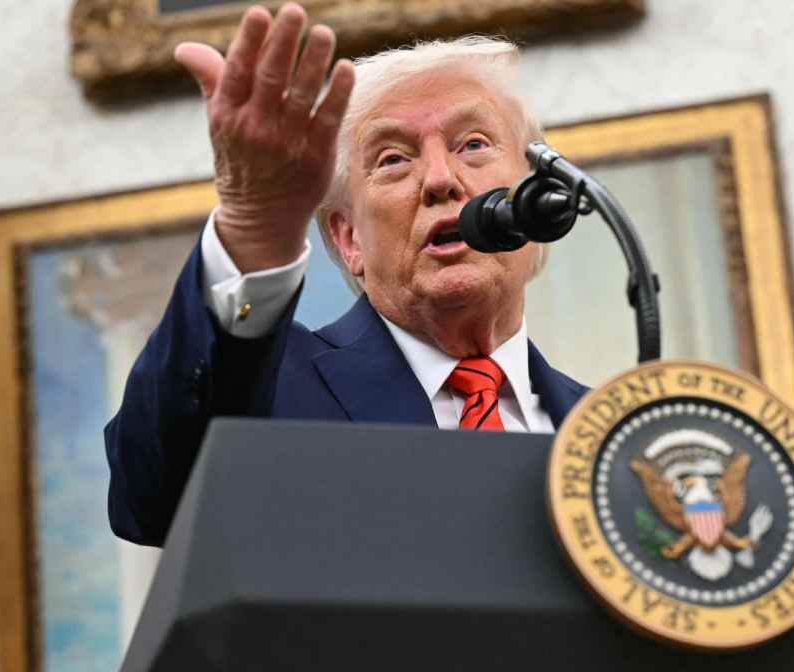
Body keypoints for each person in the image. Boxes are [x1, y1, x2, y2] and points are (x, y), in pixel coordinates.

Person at [104, 3, 589, 547]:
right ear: (348, 238)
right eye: (392, 159)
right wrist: (253, 228)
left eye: (473, 144)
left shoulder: (609, 434)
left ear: (538, 198)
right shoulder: (271, 393)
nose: (439, 178)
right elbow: (151, 494)